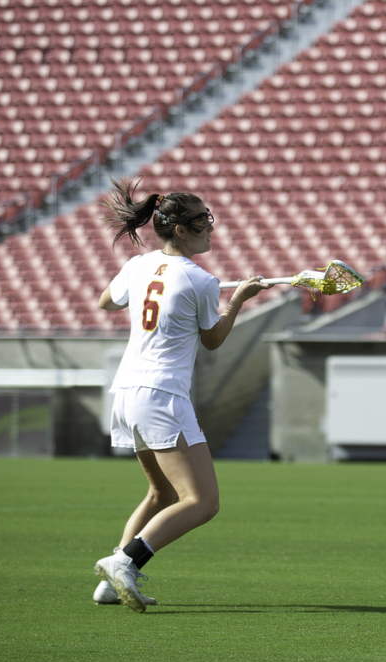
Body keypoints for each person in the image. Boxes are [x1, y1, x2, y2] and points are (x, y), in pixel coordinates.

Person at [92, 178, 275, 611]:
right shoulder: (201, 280)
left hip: (127, 393)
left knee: (162, 495)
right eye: (201, 221)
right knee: (203, 501)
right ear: (179, 229)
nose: (210, 227)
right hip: (162, 395)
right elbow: (212, 341)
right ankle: (126, 562)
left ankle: (110, 580)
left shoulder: (140, 266)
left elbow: (105, 302)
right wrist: (239, 299)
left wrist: (152, 288)